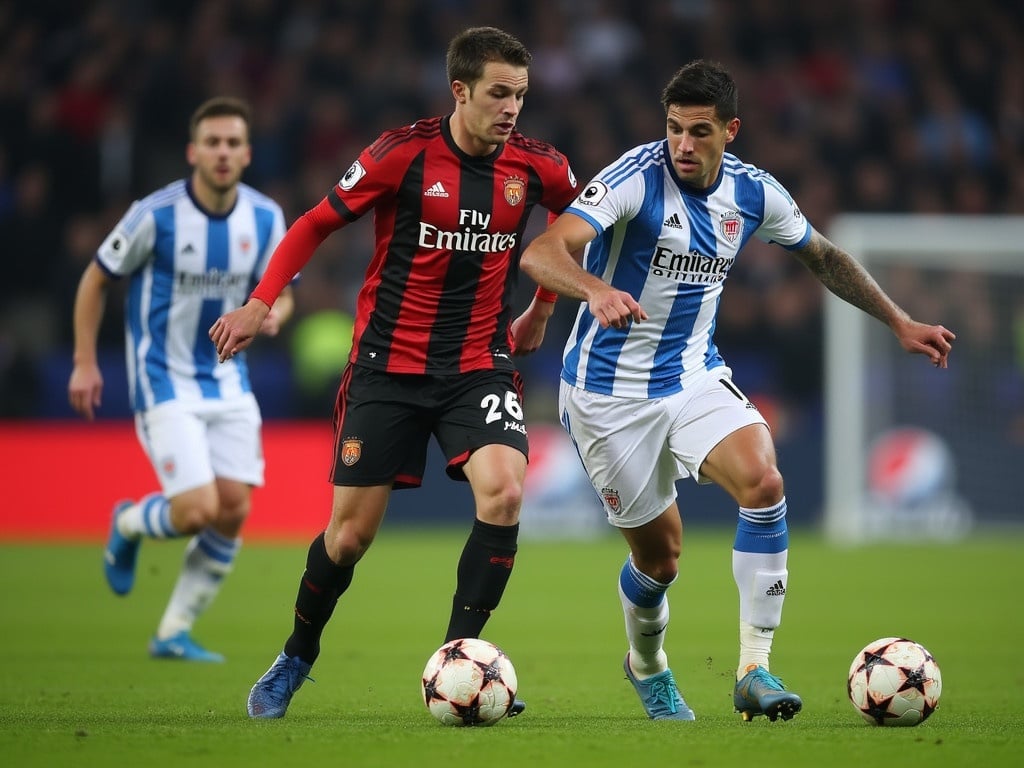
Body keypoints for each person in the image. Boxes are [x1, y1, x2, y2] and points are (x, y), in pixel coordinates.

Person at [519, 59, 956, 722]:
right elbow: (544, 252)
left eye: (699, 131)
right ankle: (647, 665)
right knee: (660, 561)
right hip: (608, 396)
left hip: (693, 373)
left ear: (732, 130)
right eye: (673, 130)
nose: (683, 146)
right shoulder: (635, 178)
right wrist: (598, 289)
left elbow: (824, 257)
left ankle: (754, 668)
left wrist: (899, 321)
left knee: (766, 483)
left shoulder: (754, 194)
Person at [209, 26, 579, 719]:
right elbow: (315, 223)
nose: (511, 109)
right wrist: (261, 302)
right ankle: (296, 654)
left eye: (521, 96)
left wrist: (541, 308)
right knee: (349, 537)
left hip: (478, 364)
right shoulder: (401, 153)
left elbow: (570, 223)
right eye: (498, 94)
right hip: (388, 366)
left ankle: (458, 661)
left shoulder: (538, 165)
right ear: (460, 91)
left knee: (502, 496)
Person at [68, 96, 294, 662]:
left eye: (233, 143)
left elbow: (281, 293)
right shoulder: (155, 213)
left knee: (234, 508)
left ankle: (172, 630)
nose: (222, 152)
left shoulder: (265, 217)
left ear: (246, 153)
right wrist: (85, 360)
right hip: (162, 378)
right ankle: (128, 519)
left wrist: (270, 316)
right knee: (195, 509)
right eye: (212, 143)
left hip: (227, 381)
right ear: (194, 151)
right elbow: (96, 279)